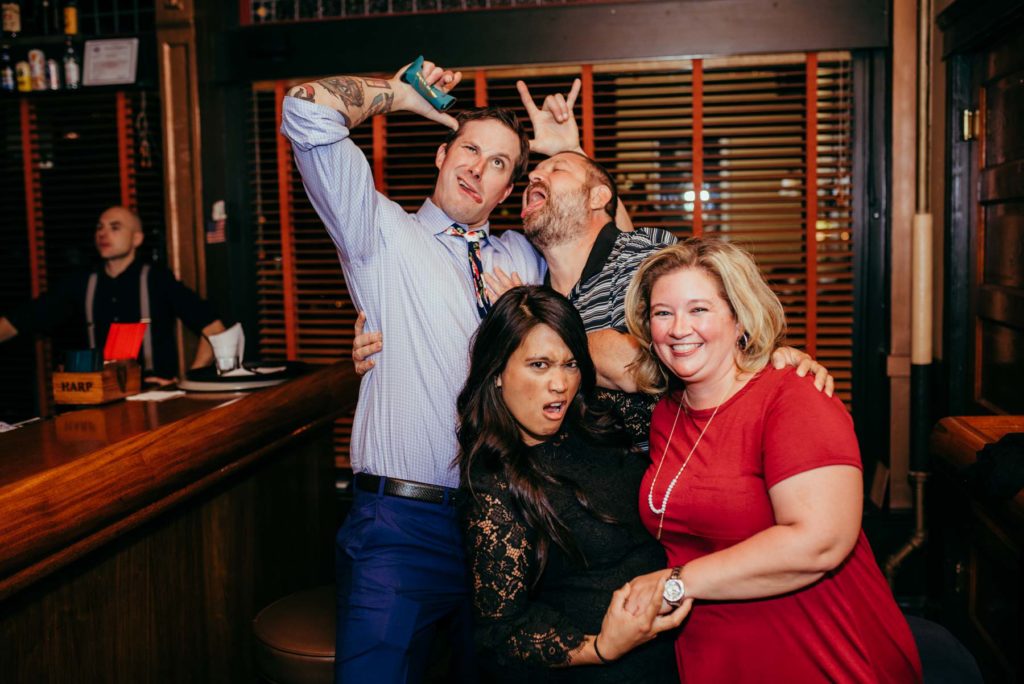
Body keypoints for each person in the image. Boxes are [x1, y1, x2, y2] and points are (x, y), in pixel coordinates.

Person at [279, 60, 545, 682]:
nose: (479, 167)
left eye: (501, 163)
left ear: (509, 191)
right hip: (401, 529)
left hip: (506, 524)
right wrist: (397, 95)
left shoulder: (527, 258)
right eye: (470, 149)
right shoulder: (380, 234)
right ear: (441, 154)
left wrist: (561, 149)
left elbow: (608, 246)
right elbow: (306, 108)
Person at [621, 238, 923, 682]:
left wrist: (675, 582)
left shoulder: (792, 396)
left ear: (739, 318)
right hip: (714, 657)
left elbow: (820, 540)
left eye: (699, 309)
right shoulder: (669, 411)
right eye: (663, 313)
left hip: (818, 652)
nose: (678, 328)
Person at [457, 285, 689, 683]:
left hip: (678, 657)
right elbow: (500, 631)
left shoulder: (600, 421)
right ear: (497, 373)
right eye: (539, 365)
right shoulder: (493, 483)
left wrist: (768, 363)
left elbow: (699, 407)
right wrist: (599, 647)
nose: (560, 384)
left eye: (570, 364)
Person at [0, 205, 226, 384]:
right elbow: (19, 320)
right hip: (100, 399)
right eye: (100, 227)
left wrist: (189, 381)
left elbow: (215, 330)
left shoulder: (157, 279)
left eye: (115, 227)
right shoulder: (81, 283)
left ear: (137, 239)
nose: (103, 233)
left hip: (154, 400)